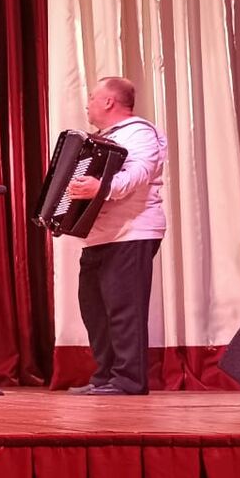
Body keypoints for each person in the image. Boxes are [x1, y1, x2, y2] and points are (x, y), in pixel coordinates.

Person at [65, 76, 167, 395]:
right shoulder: (101, 139)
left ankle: (128, 380)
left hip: (132, 232)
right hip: (99, 236)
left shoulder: (139, 132)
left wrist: (102, 188)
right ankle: (106, 376)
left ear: (109, 101)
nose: (87, 104)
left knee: (125, 309)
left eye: (92, 98)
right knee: (94, 308)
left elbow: (139, 172)